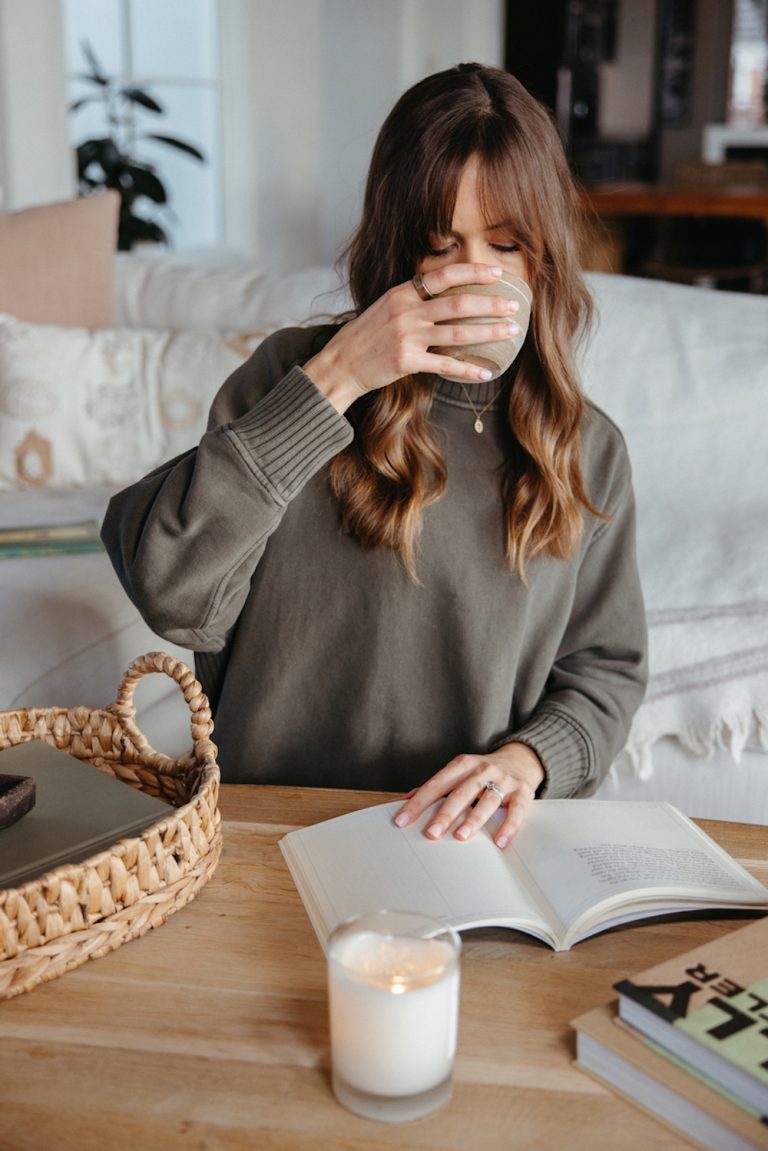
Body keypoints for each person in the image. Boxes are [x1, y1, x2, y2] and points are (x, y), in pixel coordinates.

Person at [102, 62, 647, 849]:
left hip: (456, 846)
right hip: (262, 833)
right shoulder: (294, 376)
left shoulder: (587, 448)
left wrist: (531, 759)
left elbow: (607, 669)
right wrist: (341, 376)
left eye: (505, 244)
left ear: (545, 258)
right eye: (442, 243)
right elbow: (175, 592)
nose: (476, 274)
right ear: (398, 248)